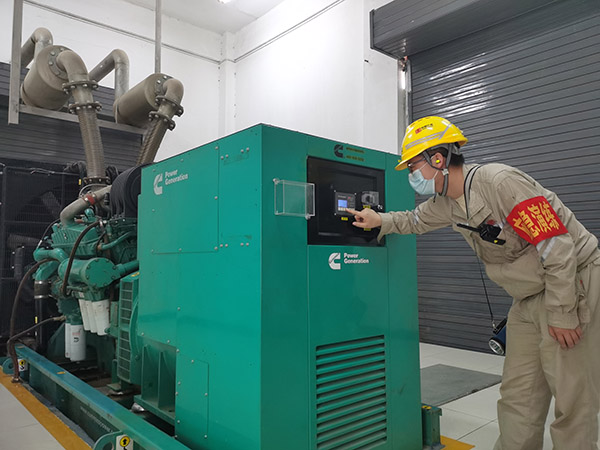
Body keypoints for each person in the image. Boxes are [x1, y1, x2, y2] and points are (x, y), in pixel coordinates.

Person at [347, 116, 600, 450]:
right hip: (527, 296)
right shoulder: (447, 203)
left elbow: (556, 245)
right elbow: (415, 220)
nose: (412, 175)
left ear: (439, 158)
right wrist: (379, 220)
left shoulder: (500, 183)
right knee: (518, 394)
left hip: (571, 282)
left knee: (572, 396)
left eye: (414, 165)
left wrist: (563, 312)